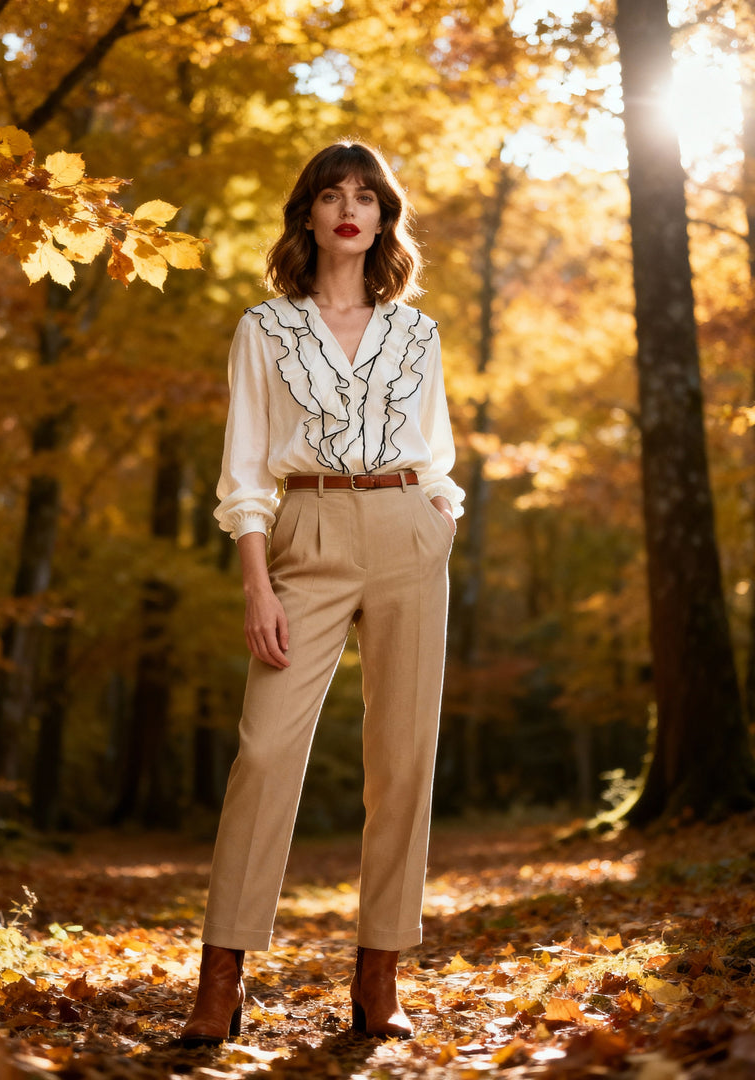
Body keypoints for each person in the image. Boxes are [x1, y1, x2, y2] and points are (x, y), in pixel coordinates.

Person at [181, 141, 464, 1047]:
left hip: (405, 530)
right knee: (264, 751)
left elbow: (439, 451)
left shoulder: (415, 334)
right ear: (307, 214)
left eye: (367, 197)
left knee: (404, 758)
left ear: (384, 218)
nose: (350, 209)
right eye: (332, 195)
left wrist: (437, 520)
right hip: (301, 535)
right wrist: (256, 583)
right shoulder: (265, 329)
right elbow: (245, 472)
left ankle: (379, 972)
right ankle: (221, 975)